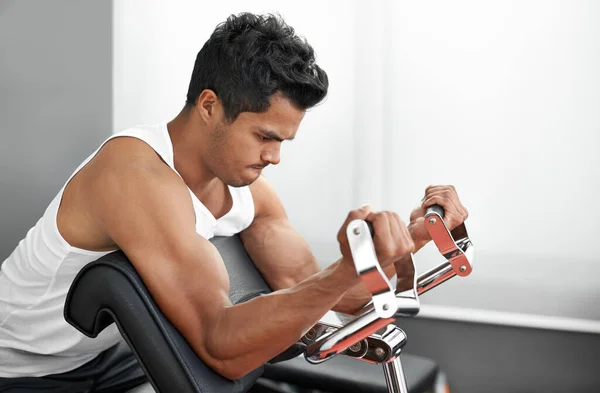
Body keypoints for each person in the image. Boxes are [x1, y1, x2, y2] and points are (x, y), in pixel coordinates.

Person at [0, 12, 468, 393]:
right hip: (24, 370)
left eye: (283, 141)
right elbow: (219, 346)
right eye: (265, 136)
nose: (275, 157)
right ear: (208, 106)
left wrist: (412, 239)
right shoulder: (134, 177)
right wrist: (348, 268)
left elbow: (329, 296)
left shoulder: (247, 189)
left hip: (112, 356)